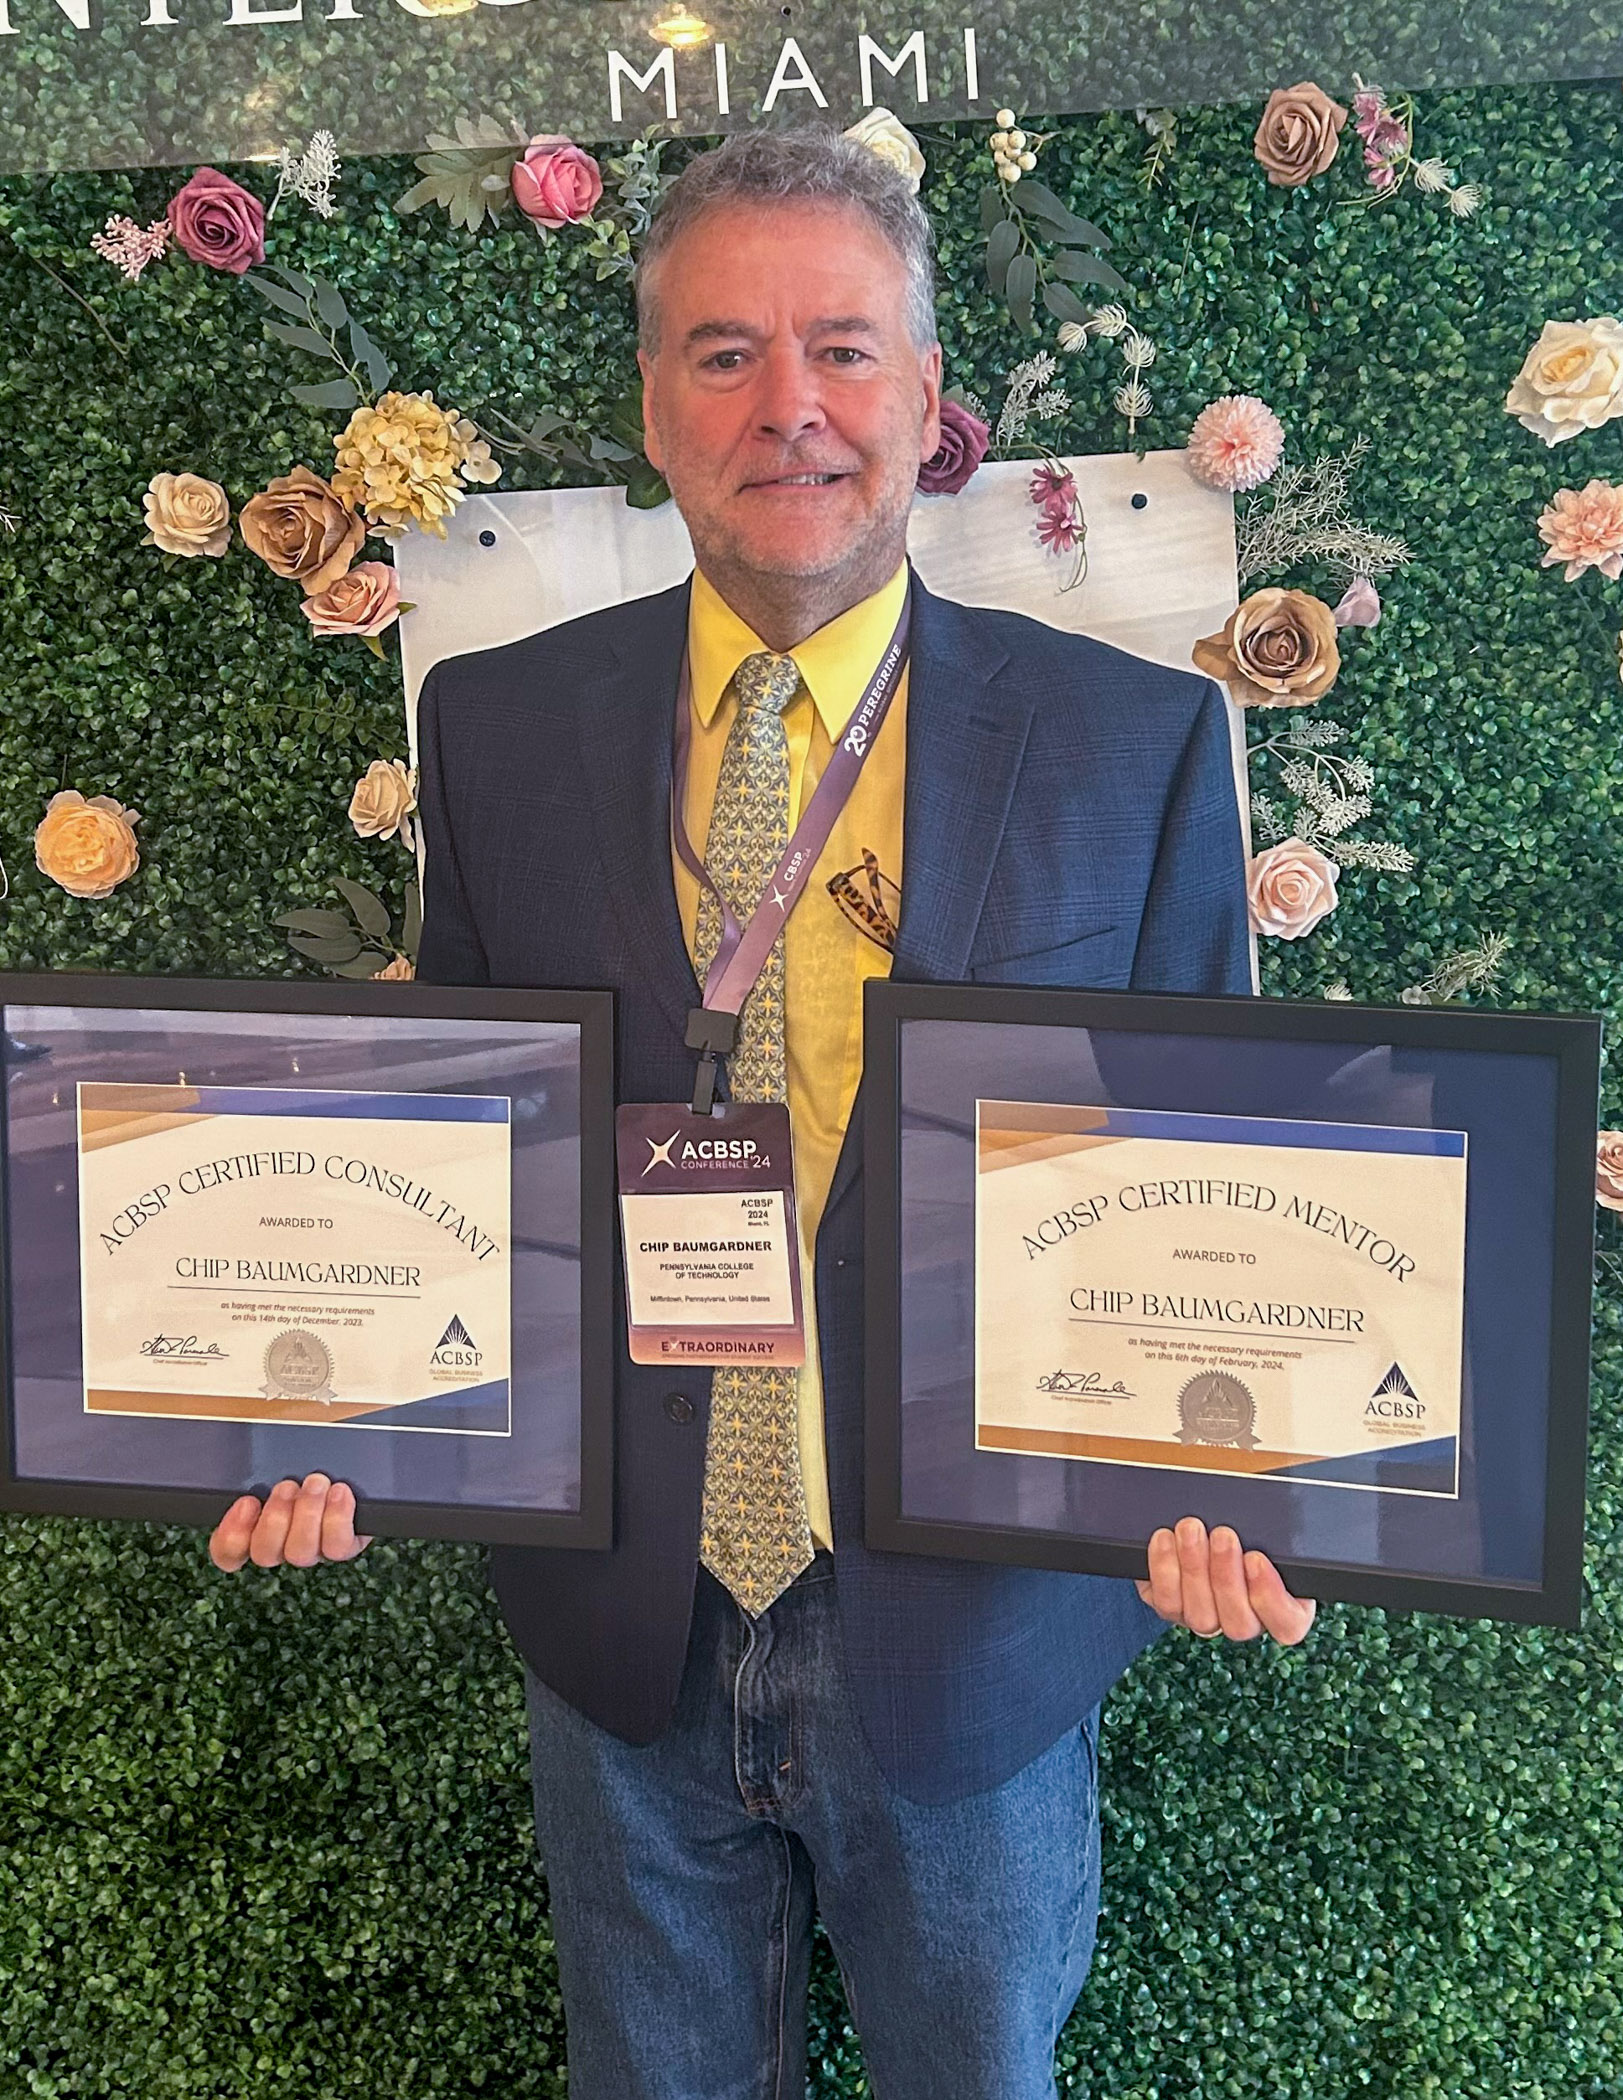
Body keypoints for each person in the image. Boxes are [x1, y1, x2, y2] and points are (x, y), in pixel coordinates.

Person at [210, 128, 1315, 2099]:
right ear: (650, 405)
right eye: (721, 354)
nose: (785, 407)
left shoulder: (1129, 746)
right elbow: (460, 1164)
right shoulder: (499, 729)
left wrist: (1221, 1491)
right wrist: (338, 1421)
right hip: (624, 1631)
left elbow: (1203, 1180)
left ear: (921, 392)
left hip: (974, 1642)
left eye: (839, 349)